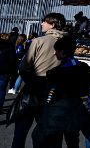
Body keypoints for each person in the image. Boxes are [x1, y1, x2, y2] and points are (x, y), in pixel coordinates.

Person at [12, 12, 67, 148]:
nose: (42, 23)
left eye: (45, 21)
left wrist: (30, 80)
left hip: (33, 90)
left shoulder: (38, 41)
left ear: (53, 24)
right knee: (48, 132)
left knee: (21, 130)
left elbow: (23, 68)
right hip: (54, 92)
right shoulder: (68, 43)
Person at [32, 36, 90, 148]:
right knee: (73, 139)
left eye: (56, 51)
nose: (54, 53)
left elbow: (50, 94)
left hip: (57, 112)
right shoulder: (83, 67)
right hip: (76, 108)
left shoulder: (55, 72)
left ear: (63, 52)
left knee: (54, 139)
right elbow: (88, 87)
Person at [0, 36, 17, 110]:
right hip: (4, 71)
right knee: (1, 90)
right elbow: (12, 60)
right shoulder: (9, 45)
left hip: (4, 71)